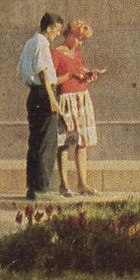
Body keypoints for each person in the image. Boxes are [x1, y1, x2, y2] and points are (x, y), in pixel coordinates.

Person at [17, 12, 64, 200]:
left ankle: (32, 186)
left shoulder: (30, 43)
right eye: (57, 30)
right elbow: (43, 71)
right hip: (45, 94)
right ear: (49, 28)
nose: (57, 35)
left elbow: (21, 70)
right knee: (47, 142)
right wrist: (51, 98)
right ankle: (42, 187)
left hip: (34, 93)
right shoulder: (42, 44)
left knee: (35, 142)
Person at [52, 20, 101, 196]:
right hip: (65, 98)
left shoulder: (78, 55)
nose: (80, 43)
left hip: (82, 97)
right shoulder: (56, 53)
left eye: (83, 40)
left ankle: (83, 183)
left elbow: (79, 74)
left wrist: (88, 76)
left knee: (82, 141)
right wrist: (70, 75)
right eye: (79, 39)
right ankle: (64, 184)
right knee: (64, 142)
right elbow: (52, 80)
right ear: (71, 34)